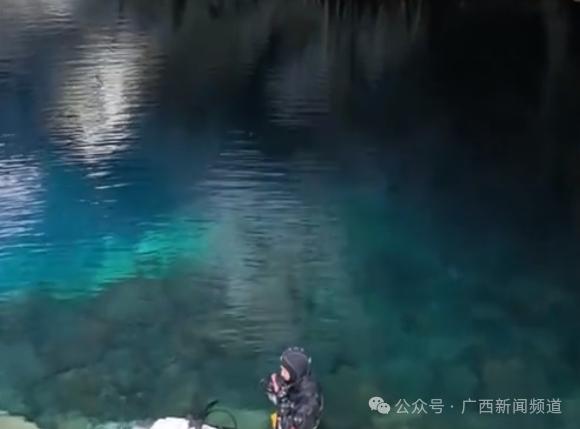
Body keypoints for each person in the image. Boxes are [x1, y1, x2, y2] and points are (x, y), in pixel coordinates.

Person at [262, 347, 323, 429]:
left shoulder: (309, 401)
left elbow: (299, 423)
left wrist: (283, 407)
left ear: (294, 372)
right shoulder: (297, 376)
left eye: (284, 371)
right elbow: (268, 383)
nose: (281, 373)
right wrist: (274, 388)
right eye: (281, 369)